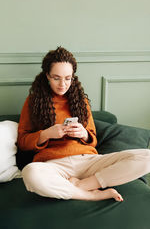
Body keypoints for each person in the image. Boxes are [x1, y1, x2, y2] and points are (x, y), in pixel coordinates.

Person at [17, 47, 150, 202]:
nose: (62, 84)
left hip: (88, 161)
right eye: (56, 78)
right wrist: (46, 134)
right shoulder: (33, 102)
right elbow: (22, 141)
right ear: (47, 75)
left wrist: (83, 134)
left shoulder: (81, 101)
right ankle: (90, 195)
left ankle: (83, 185)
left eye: (68, 78)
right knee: (30, 173)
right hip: (54, 166)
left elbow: (92, 138)